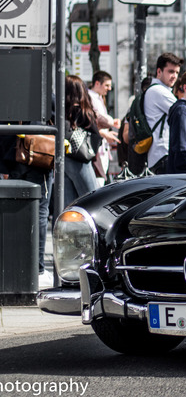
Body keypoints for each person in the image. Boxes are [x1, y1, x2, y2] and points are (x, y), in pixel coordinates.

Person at [0, 101, 55, 288]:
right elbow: (53, 111)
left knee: (15, 212)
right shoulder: (43, 90)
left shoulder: (11, 93)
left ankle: (16, 266)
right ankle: (37, 268)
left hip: (14, 156)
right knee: (40, 212)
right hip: (39, 156)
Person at [144, 52, 184, 174]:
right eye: (171, 71)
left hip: (158, 155)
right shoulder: (159, 91)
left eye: (177, 72)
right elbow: (183, 113)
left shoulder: (156, 90)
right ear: (159, 72)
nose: (174, 76)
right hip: (162, 153)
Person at [64, 75, 100, 207]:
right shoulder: (83, 111)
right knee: (93, 202)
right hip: (81, 160)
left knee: (69, 205)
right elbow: (95, 134)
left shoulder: (62, 112)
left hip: (65, 159)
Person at [88, 71, 120, 185]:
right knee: (97, 183)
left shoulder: (99, 98)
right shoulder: (90, 97)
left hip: (102, 147)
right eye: (106, 85)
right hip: (96, 148)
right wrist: (105, 132)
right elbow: (92, 122)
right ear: (97, 83)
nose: (109, 88)